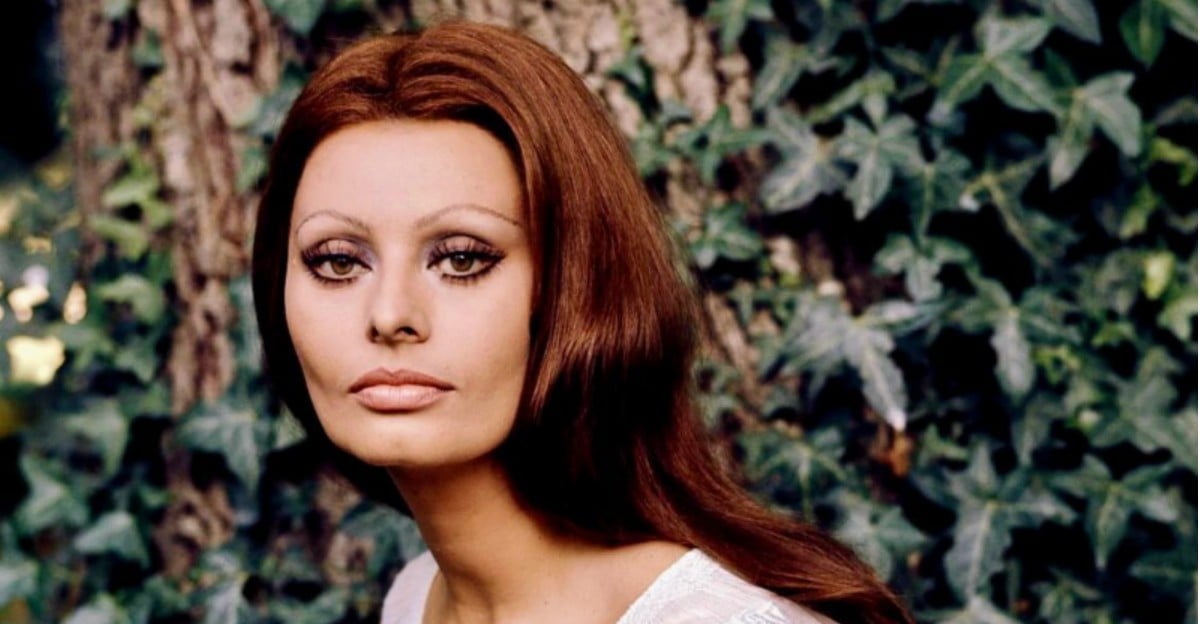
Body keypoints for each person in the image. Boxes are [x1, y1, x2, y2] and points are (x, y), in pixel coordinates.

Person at [251, 20, 912, 624]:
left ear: (575, 288)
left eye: (461, 259)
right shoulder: (415, 598)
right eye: (337, 262)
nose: (390, 314)